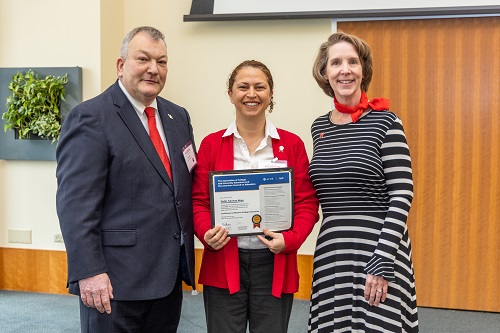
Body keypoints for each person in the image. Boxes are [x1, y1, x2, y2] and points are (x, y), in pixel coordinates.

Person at [56, 26, 197, 333]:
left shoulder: (178, 117)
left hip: (167, 278)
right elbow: (76, 205)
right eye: (143, 59)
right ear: (121, 66)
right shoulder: (91, 117)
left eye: (161, 62)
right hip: (113, 284)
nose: (153, 69)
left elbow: (183, 189)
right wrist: (90, 272)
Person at [192, 60, 319, 333]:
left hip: (274, 263)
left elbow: (307, 203)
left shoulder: (292, 144)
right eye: (243, 87)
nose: (252, 94)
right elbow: (199, 201)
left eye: (260, 87)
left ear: (270, 93)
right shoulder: (212, 145)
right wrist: (205, 232)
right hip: (223, 260)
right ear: (230, 94)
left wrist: (290, 239)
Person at [307, 32, 419, 332]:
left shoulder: (386, 122)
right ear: (324, 72)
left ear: (363, 70)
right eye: (336, 62)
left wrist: (382, 261)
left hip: (378, 252)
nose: (345, 69)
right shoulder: (319, 127)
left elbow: (402, 194)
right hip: (333, 255)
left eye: (353, 62)